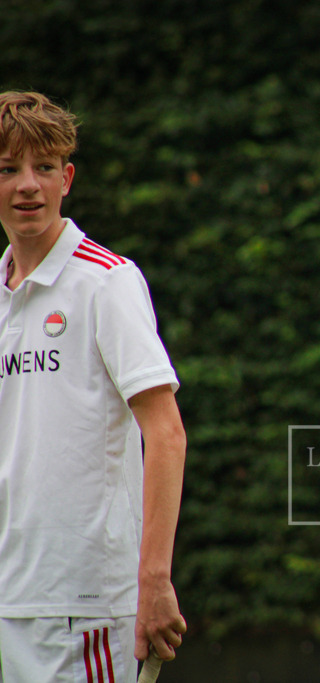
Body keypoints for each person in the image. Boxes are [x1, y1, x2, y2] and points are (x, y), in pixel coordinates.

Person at [0, 91, 187, 681]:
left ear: (67, 179)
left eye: (44, 168)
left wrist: (154, 577)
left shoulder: (107, 281)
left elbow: (167, 432)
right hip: (11, 603)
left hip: (89, 608)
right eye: (8, 169)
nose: (28, 185)